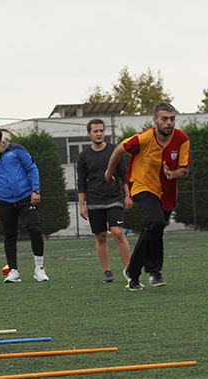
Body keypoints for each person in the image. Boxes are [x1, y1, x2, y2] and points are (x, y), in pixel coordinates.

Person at [105, 102, 190, 291]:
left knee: (154, 229)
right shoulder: (143, 139)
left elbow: (184, 172)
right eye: (164, 119)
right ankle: (154, 271)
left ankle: (132, 272)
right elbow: (119, 149)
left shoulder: (182, 139)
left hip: (167, 192)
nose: (169, 123)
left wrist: (173, 174)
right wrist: (108, 173)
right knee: (156, 223)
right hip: (142, 186)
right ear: (155, 120)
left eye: (172, 119)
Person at [0, 124, 48, 283]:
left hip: (26, 198)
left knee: (35, 229)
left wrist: (35, 190)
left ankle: (39, 269)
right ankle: (13, 271)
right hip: (4, 203)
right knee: (9, 237)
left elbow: (32, 169)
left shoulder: (17, 150)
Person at [77, 118, 132, 284]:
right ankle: (107, 271)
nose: (99, 133)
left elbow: (124, 174)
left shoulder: (115, 150)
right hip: (94, 201)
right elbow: (81, 182)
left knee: (118, 232)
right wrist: (81, 205)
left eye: (101, 130)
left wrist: (128, 195)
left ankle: (129, 270)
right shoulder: (83, 156)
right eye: (95, 131)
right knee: (100, 237)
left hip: (114, 199)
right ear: (89, 134)